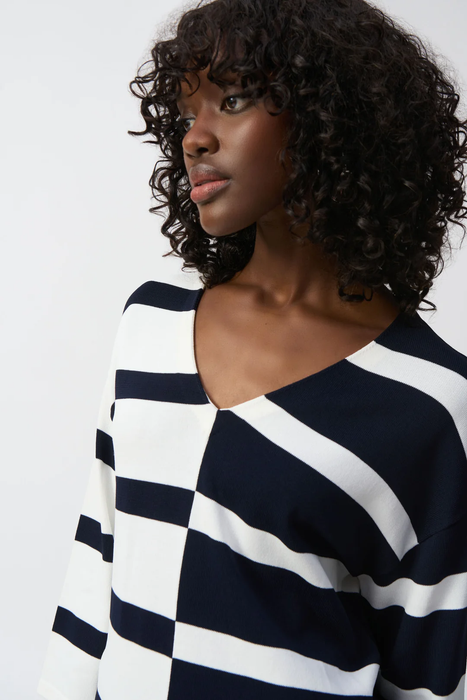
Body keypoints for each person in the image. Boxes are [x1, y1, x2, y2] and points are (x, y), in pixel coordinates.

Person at [38, 0, 467, 698]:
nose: (195, 138)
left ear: (331, 114)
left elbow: (429, 677)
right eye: (185, 114)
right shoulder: (152, 327)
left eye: (231, 99)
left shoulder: (428, 401)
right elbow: (94, 576)